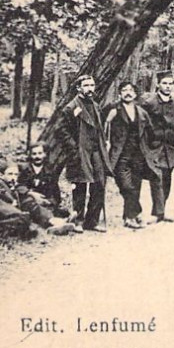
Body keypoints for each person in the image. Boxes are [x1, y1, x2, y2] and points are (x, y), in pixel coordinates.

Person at [58, 74, 112, 232]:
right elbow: (62, 131)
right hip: (80, 151)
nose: (90, 89)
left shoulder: (95, 105)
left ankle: (92, 221)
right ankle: (78, 221)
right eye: (86, 85)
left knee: (99, 184)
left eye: (92, 85)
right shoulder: (71, 107)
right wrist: (74, 148)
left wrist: (104, 143)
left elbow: (99, 127)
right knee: (80, 185)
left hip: (96, 151)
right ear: (78, 88)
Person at [105, 81, 162, 229]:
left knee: (135, 187)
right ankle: (136, 213)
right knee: (126, 186)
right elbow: (102, 128)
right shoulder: (112, 109)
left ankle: (129, 217)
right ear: (120, 93)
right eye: (124, 90)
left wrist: (151, 151)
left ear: (135, 94)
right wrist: (108, 120)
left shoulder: (142, 112)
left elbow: (151, 133)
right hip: (120, 156)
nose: (128, 92)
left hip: (138, 156)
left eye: (131, 90)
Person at [141, 72, 174, 221]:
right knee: (157, 178)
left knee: (167, 179)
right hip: (155, 147)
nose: (168, 86)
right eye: (165, 83)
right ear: (159, 85)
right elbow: (142, 125)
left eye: (171, 84)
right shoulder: (149, 103)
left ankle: (162, 211)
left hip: (172, 149)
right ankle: (157, 213)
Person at [18, 142, 67, 216]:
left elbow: (55, 193)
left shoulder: (50, 171)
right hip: (29, 202)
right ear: (30, 155)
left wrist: (48, 201)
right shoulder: (24, 169)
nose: (37, 156)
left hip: (45, 203)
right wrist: (30, 193)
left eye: (40, 153)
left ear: (45, 154)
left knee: (59, 212)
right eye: (34, 154)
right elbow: (19, 186)